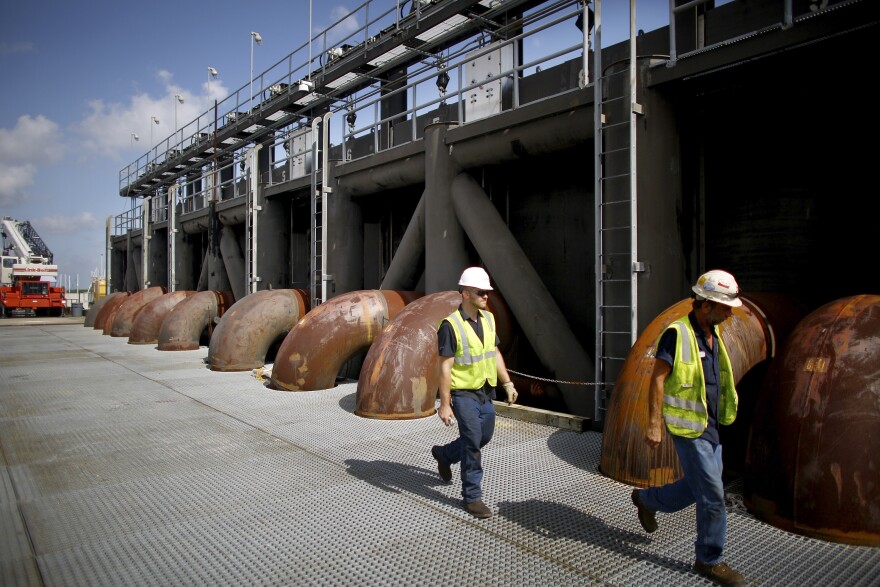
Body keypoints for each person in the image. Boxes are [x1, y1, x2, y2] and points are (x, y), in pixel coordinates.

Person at [631, 270, 746, 586]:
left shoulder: (712, 332)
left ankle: (647, 500)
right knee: (713, 495)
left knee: (696, 488)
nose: (729, 312)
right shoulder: (677, 333)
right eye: (725, 306)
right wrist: (654, 425)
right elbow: (657, 379)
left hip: (710, 427)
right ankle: (709, 559)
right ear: (706, 303)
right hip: (688, 429)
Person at [431, 266, 518, 519]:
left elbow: (494, 353)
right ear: (466, 293)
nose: (486, 296)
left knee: (483, 436)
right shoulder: (450, 325)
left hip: (485, 391)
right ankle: (473, 497)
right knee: (472, 444)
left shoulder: (489, 319)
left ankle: (444, 455)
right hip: (463, 394)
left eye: (487, 292)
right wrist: (445, 404)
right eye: (481, 292)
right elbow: (444, 367)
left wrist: (507, 383)